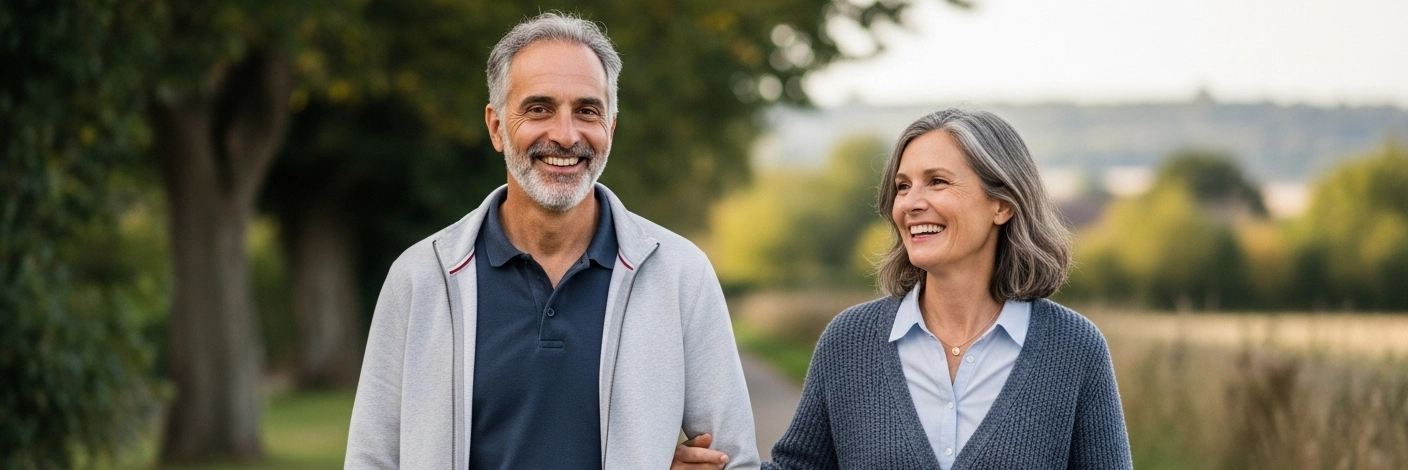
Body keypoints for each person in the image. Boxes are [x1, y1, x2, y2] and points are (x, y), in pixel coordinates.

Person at [346, 12, 758, 469]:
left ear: (611, 128)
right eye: (539, 108)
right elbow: (372, 459)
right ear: (497, 126)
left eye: (587, 110)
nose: (565, 135)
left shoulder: (681, 273)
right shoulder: (421, 276)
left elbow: (733, 459)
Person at [673, 108, 1131, 469]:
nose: (911, 203)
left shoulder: (1073, 349)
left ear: (1002, 205)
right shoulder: (849, 342)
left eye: (937, 182)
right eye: (903, 186)